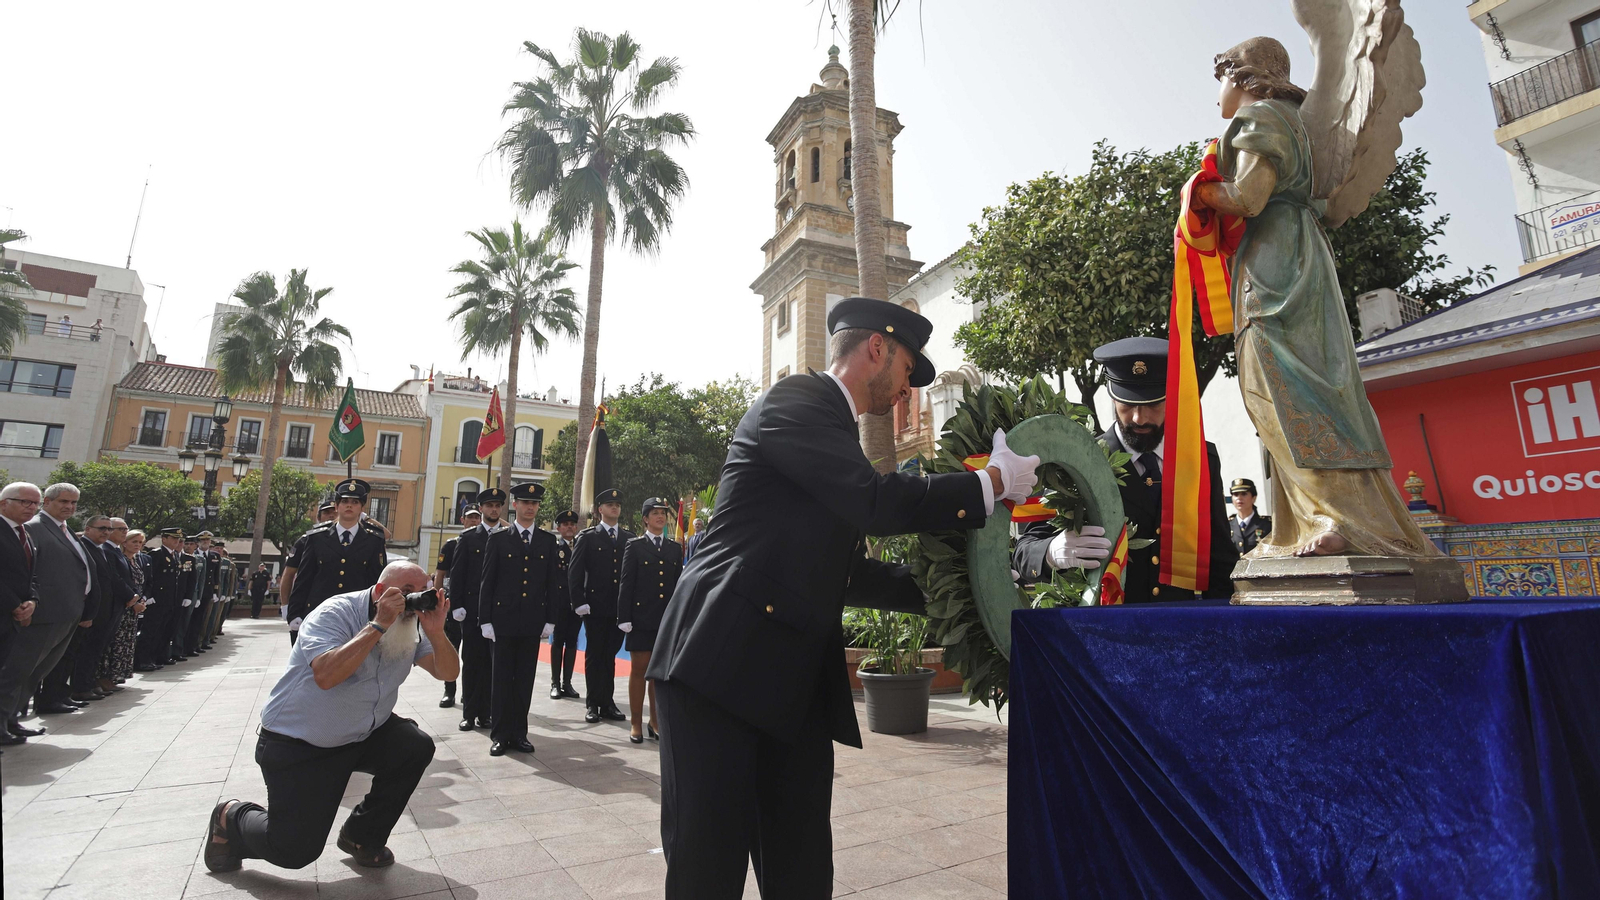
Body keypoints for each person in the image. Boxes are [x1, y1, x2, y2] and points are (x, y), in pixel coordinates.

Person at [647, 297, 1039, 898]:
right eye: (909, 371)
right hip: (719, 666)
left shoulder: (834, 433)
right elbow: (873, 503)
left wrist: (975, 593)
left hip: (791, 680)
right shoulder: (796, 402)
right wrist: (987, 485)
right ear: (877, 349)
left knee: (802, 871)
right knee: (707, 870)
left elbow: (846, 572)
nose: (907, 391)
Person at [203, 561, 459, 873]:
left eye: (422, 592)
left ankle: (361, 837)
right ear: (380, 591)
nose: (414, 600)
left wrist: (435, 631)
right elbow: (326, 676)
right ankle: (231, 816)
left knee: (413, 746)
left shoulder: (411, 621)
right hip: (302, 743)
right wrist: (377, 625)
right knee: (294, 851)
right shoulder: (335, 613)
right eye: (406, 592)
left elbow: (448, 672)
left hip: (362, 732)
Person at [1014, 337, 1238, 602]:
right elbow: (1024, 552)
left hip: (1184, 625)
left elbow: (1221, 559)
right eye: (1127, 404)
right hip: (1108, 628)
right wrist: (1053, 551)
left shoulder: (1200, 458)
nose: (1138, 418)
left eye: (1153, 405)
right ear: (1111, 395)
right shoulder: (1079, 461)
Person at [0, 483, 96, 729]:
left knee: (35, 673)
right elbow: (26, 573)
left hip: (65, 613)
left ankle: (10, 721)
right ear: (48, 501)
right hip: (40, 616)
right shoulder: (33, 528)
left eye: (73, 503)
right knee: (19, 672)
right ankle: (6, 722)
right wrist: (29, 603)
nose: (69, 507)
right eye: (64, 501)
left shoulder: (65, 530)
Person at [478, 483, 558, 756]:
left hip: (532, 621)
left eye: (534, 503)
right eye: (525, 502)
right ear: (515, 505)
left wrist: (551, 620)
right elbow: (487, 583)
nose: (530, 507)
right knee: (501, 679)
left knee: (525, 679)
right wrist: (485, 619)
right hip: (503, 621)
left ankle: (519, 733)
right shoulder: (499, 539)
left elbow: (553, 584)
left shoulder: (548, 541)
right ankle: (500, 735)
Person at [285, 480, 387, 645]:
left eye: (355, 502)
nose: (349, 506)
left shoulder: (374, 540)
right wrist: (294, 613)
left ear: (361, 509)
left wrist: (377, 615)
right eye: (345, 501)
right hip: (318, 612)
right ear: (337, 506)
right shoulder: (316, 537)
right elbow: (304, 578)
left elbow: (376, 582)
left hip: (356, 617)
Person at [618, 497, 681, 744]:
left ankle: (655, 721)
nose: (660, 517)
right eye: (655, 513)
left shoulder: (674, 548)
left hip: (664, 620)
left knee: (659, 675)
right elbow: (626, 584)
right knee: (639, 671)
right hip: (641, 619)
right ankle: (635, 722)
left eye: (663, 513)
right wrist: (624, 617)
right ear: (645, 518)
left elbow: (677, 587)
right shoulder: (634, 546)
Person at [569, 488, 633, 724]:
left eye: (617, 504)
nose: (614, 507)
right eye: (609, 504)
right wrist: (579, 602)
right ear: (599, 510)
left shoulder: (629, 538)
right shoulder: (588, 537)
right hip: (594, 607)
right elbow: (574, 573)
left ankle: (608, 702)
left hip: (618, 609)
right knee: (595, 655)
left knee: (610, 655)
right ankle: (593, 704)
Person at [448, 489, 506, 732]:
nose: (494, 509)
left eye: (497, 505)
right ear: (481, 508)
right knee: (472, 663)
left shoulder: (507, 537)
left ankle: (486, 713)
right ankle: (469, 713)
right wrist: (457, 604)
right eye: (489, 505)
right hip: (472, 612)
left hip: (497, 612)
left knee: (493, 666)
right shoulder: (468, 538)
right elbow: (457, 575)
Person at [69, 516, 133, 701]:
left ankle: (88, 683)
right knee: (85, 651)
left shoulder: (101, 549)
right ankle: (80, 687)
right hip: (90, 610)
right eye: (102, 528)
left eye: (108, 529)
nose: (106, 532)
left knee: (96, 650)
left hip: (105, 608)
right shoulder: (85, 546)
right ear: (88, 529)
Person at [0, 483, 41, 747]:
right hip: (5, 611)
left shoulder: (25, 533)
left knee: (9, 673)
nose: (31, 508)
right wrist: (15, 604)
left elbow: (31, 576)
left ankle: (7, 722)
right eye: (25, 502)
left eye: (35, 503)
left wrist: (32, 601)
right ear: (4, 503)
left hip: (16, 616)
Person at [433, 507, 479, 708]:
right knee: (451, 647)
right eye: (470, 518)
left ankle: (468, 692)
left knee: (471, 654)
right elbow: (440, 573)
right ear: (462, 520)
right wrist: (436, 599)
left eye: (477, 517)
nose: (474, 521)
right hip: (453, 602)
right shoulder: (452, 544)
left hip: (473, 603)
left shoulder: (485, 541)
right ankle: (449, 691)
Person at [278, 503, 337, 643]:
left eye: (334, 512)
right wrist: (285, 606)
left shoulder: (346, 542)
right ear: (318, 517)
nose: (331, 515)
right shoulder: (305, 541)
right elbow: (288, 574)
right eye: (326, 512)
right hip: (308, 604)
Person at [97, 525, 145, 692]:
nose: (137, 544)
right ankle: (106, 677)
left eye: (140, 542)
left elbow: (139, 582)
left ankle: (117, 676)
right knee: (114, 643)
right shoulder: (113, 553)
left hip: (133, 605)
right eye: (134, 541)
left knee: (125, 643)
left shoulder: (134, 559)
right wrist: (132, 599)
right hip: (124, 605)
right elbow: (117, 579)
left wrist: (140, 599)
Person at [134, 528, 184, 671]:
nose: (176, 541)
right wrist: (149, 596)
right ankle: (143, 660)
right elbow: (150, 578)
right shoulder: (157, 554)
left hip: (169, 601)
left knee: (163, 631)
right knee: (150, 632)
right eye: (173, 538)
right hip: (156, 601)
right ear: (164, 539)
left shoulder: (174, 555)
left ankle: (156, 657)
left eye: (178, 539)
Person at [547, 509, 582, 701]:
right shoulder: (554, 548)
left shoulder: (581, 546)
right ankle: (555, 683)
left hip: (576, 604)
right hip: (559, 602)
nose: (569, 527)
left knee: (572, 642)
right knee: (557, 642)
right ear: (558, 528)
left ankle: (567, 682)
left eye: (572, 524)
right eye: (565, 524)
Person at [1228, 478, 1272, 555]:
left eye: (1244, 494)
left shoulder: (1267, 525)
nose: (1239, 498)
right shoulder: (1227, 526)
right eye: (1236, 494)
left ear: (1253, 498)